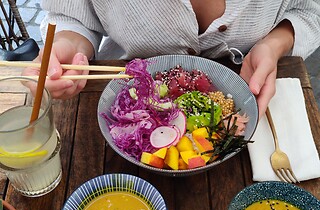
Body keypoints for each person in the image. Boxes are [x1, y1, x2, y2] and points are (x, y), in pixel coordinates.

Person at [23, 0, 320, 118]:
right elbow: (71, 17)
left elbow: (310, 10)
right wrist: (67, 47)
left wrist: (274, 43)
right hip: (119, 106)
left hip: (256, 105)